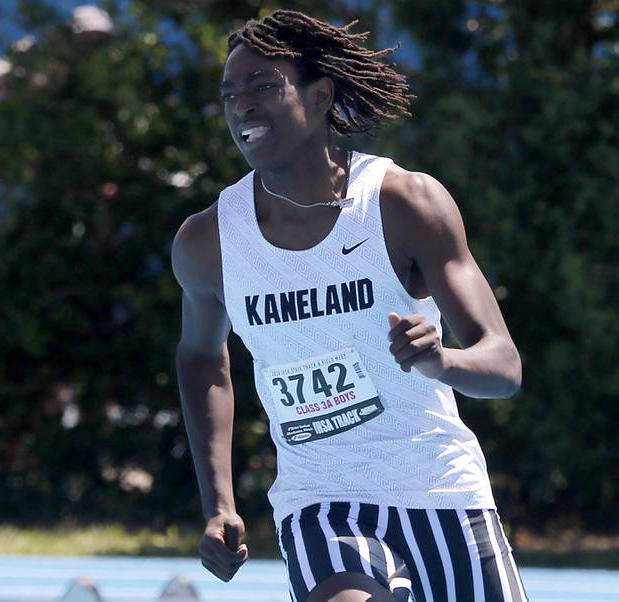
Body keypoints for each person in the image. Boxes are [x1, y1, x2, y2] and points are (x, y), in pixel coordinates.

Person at [172, 10, 527, 602]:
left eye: (263, 86)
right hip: (321, 498)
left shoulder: (404, 203)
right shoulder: (208, 242)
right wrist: (220, 503)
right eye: (230, 94)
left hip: (442, 489)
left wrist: (442, 364)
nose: (242, 106)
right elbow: (201, 360)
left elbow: (505, 367)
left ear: (319, 96)